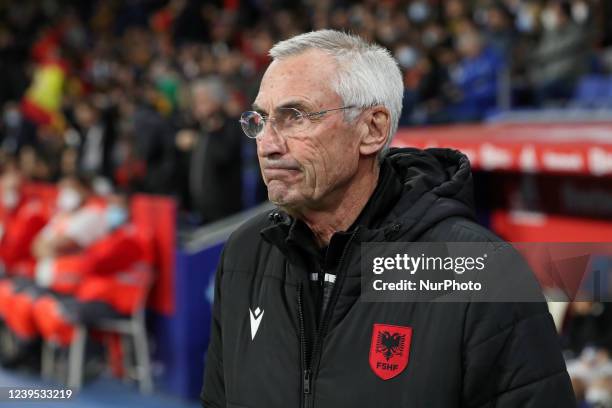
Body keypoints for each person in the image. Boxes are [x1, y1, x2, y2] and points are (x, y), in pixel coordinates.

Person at [200, 30, 575, 407]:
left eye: (294, 117)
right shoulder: (244, 254)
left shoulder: (480, 273)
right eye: (260, 120)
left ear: (373, 129)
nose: (267, 143)